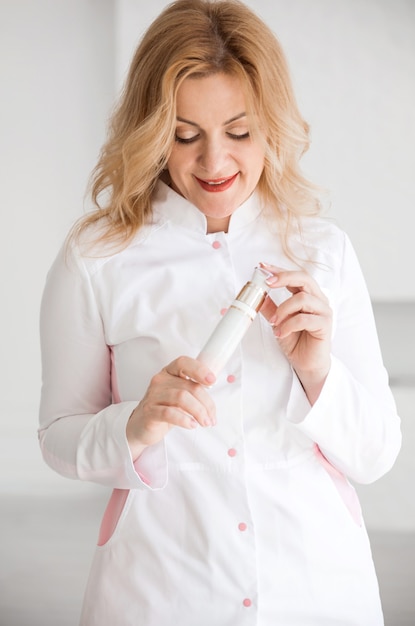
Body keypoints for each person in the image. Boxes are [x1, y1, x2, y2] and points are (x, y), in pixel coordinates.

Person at [38, 1, 402, 624]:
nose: (214, 163)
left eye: (239, 132)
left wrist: (319, 375)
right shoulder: (97, 257)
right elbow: (59, 437)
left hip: (315, 589)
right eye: (185, 135)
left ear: (272, 124)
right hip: (160, 592)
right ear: (151, 131)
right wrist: (137, 424)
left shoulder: (322, 250)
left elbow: (375, 454)